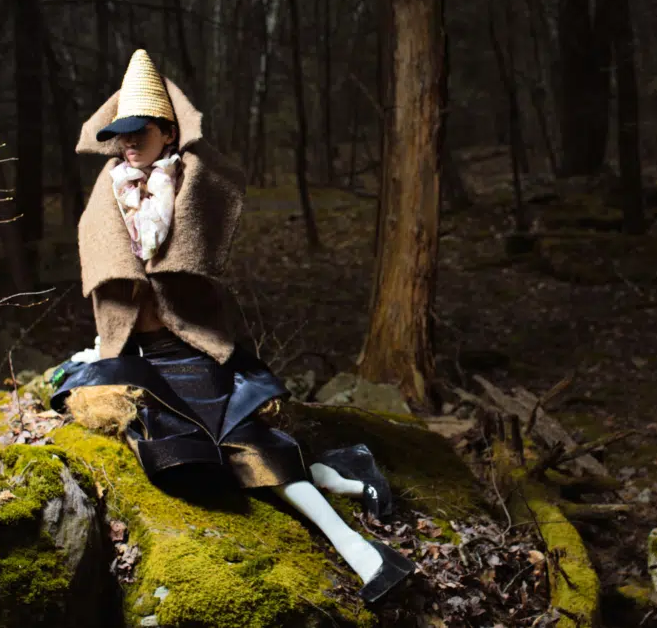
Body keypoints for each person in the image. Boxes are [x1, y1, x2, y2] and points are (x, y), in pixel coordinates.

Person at [51, 49, 413, 603]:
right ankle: (347, 475)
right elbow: (112, 280)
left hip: (189, 348)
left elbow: (164, 255)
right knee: (197, 461)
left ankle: (365, 555)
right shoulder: (111, 186)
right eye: (119, 134)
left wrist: (159, 192)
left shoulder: (189, 181)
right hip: (139, 353)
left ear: (167, 132)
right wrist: (103, 346)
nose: (126, 144)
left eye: (138, 134)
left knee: (247, 449)